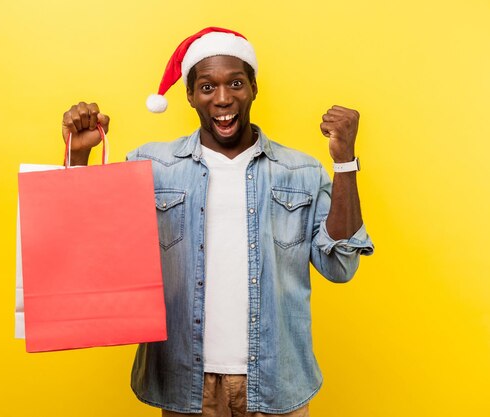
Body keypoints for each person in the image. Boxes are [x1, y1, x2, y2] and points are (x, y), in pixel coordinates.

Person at [61, 27, 374, 417]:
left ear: (254, 88)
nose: (223, 98)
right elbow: (92, 248)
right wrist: (78, 158)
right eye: (207, 87)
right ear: (190, 95)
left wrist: (344, 161)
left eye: (236, 84)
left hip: (277, 382)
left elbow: (340, 265)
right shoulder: (151, 167)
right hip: (185, 381)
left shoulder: (301, 171)